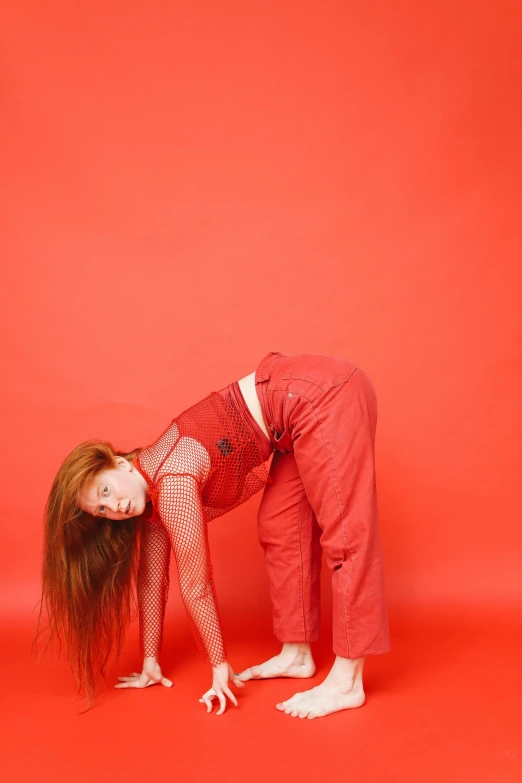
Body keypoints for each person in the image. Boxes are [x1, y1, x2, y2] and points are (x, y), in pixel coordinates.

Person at [33, 351, 390, 718]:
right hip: (289, 422)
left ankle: (347, 681)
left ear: (119, 464)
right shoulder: (151, 485)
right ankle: (297, 655)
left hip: (322, 394)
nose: (115, 507)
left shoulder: (170, 480)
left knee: (345, 535)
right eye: (102, 511)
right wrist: (150, 660)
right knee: (280, 527)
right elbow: (151, 580)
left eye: (106, 491)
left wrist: (219, 667)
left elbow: (196, 584)